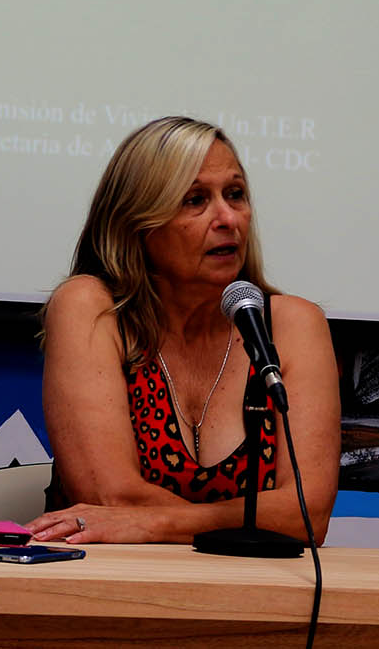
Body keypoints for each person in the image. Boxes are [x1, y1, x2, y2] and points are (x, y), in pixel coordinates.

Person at [28, 116, 339, 544]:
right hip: (108, 586)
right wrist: (246, 525)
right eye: (195, 200)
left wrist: (155, 523)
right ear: (138, 223)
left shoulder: (291, 324)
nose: (229, 218)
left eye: (235, 194)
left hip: (248, 591)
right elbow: (110, 497)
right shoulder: (92, 307)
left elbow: (306, 515)